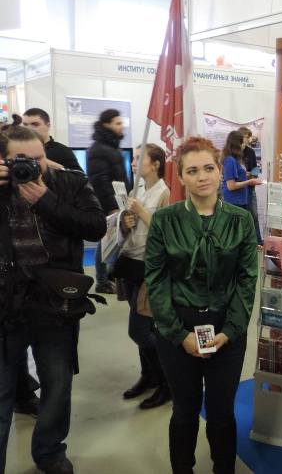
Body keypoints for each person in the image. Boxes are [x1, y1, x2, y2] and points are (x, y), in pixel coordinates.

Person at [144, 136, 258, 474]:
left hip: (226, 328)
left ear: (220, 171)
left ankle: (224, 468)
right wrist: (179, 335)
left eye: (208, 168)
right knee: (184, 410)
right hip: (177, 328)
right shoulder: (165, 221)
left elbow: (246, 280)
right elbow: (156, 280)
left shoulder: (240, 220)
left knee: (222, 412)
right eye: (192, 171)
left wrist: (231, 330)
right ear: (181, 177)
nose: (202, 176)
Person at [0, 125, 106, 474]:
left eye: (39, 157)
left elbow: (96, 226)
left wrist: (46, 200)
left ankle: (49, 452)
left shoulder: (70, 182)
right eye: (21, 160)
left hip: (55, 303)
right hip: (6, 305)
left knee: (57, 384)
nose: (33, 166)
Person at [115, 144, 171, 409]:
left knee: (139, 329)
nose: (134, 162)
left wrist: (141, 212)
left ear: (155, 164)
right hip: (130, 264)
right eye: (134, 158)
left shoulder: (164, 193)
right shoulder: (136, 190)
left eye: (139, 158)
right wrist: (125, 222)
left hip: (150, 268)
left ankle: (167, 381)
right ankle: (148, 375)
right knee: (143, 329)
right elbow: (130, 226)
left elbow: (165, 232)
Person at [87, 108, 130, 294]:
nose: (121, 126)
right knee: (106, 241)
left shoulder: (111, 147)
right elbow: (100, 182)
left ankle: (110, 276)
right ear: (107, 125)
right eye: (117, 123)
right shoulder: (99, 149)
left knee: (117, 239)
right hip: (109, 205)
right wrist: (112, 207)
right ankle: (102, 281)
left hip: (119, 201)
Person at [221, 130, 261, 213]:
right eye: (242, 142)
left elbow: (253, 169)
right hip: (234, 201)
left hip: (240, 199)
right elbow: (231, 186)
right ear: (236, 144)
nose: (244, 144)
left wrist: (248, 175)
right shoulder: (230, 160)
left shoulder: (239, 157)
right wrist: (249, 182)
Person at [237, 126, 264, 246]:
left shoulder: (251, 152)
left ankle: (258, 241)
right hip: (237, 190)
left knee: (253, 215)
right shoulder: (232, 153)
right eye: (247, 137)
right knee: (239, 217)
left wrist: (249, 174)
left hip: (249, 189)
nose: (249, 139)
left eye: (249, 137)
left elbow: (256, 170)